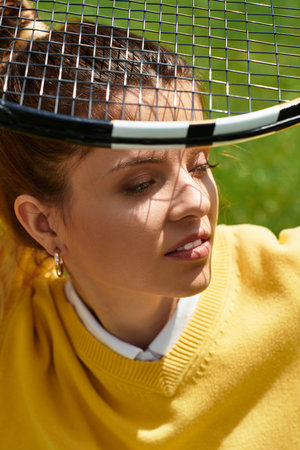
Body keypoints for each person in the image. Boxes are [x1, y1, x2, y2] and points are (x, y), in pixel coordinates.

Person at [0, 1, 300, 449]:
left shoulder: (289, 284)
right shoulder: (14, 332)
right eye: (140, 184)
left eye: (201, 164)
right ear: (42, 223)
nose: (196, 202)